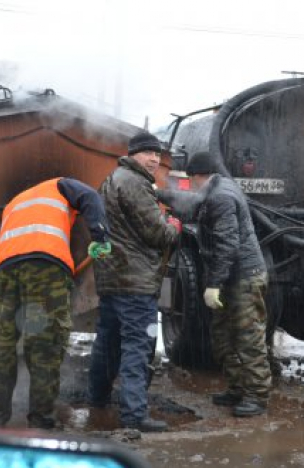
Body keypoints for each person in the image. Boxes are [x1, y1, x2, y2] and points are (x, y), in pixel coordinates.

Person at [0, 177, 111, 430]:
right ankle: (41, 421)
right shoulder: (61, 185)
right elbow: (91, 198)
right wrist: (100, 236)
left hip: (4, 269)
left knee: (2, 345)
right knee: (44, 345)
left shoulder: (14, 203)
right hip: (45, 265)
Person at [158, 151, 272, 417]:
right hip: (229, 275)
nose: (192, 184)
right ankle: (237, 388)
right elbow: (190, 201)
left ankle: (256, 396)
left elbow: (228, 244)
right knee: (222, 336)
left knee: (248, 337)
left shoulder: (221, 197)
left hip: (244, 276)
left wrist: (214, 284)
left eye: (191, 179)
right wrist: (158, 194)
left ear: (199, 176)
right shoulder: (213, 190)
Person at [89, 131, 181, 433]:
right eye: (148, 153)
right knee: (137, 347)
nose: (154, 159)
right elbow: (157, 234)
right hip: (136, 280)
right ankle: (134, 416)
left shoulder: (110, 180)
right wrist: (173, 225)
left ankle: (98, 399)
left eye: (157, 154)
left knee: (107, 342)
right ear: (133, 154)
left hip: (111, 278)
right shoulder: (135, 183)